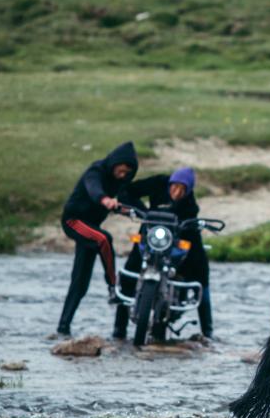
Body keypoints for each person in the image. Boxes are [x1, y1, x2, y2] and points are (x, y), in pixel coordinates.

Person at [113, 167, 214, 340]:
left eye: (182, 189)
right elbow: (127, 191)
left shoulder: (190, 204)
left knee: (201, 272)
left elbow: (190, 220)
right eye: (174, 186)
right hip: (150, 234)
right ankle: (118, 329)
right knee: (129, 273)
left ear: (188, 190)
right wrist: (142, 211)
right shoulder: (158, 182)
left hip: (175, 236)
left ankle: (208, 331)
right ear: (169, 183)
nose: (177, 192)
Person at [55, 141, 138, 338]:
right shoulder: (96, 171)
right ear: (114, 164)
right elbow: (94, 189)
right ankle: (112, 286)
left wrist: (135, 210)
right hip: (74, 221)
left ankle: (63, 327)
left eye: (127, 172)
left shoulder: (120, 182)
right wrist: (105, 200)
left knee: (80, 282)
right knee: (104, 239)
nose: (123, 175)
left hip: (90, 228)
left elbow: (128, 200)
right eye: (121, 170)